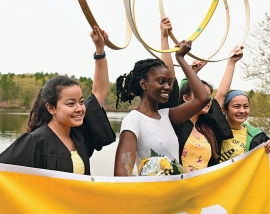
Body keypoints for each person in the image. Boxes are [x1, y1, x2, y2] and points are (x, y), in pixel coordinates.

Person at [0, 26, 116, 175]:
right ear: (51, 108)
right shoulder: (36, 141)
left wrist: (100, 49)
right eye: (70, 103)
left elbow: (99, 91)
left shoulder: (79, 134)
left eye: (81, 101)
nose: (79, 108)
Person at [114, 39, 211, 176]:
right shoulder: (133, 120)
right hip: (151, 195)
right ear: (144, 84)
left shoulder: (168, 116)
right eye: (161, 81)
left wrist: (180, 58)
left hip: (175, 193)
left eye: (170, 82)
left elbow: (203, 98)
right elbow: (122, 174)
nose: (168, 87)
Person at [159, 17, 243, 172]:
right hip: (176, 188)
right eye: (201, 94)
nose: (207, 100)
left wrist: (231, 62)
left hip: (203, 190)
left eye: (209, 96)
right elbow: (168, 77)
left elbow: (222, 93)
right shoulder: (175, 121)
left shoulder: (208, 126)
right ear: (185, 98)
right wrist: (164, 39)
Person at [214, 62, 270, 161]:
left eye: (246, 106)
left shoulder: (258, 136)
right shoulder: (213, 129)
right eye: (236, 106)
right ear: (224, 109)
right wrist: (232, 62)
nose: (242, 111)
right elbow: (221, 94)